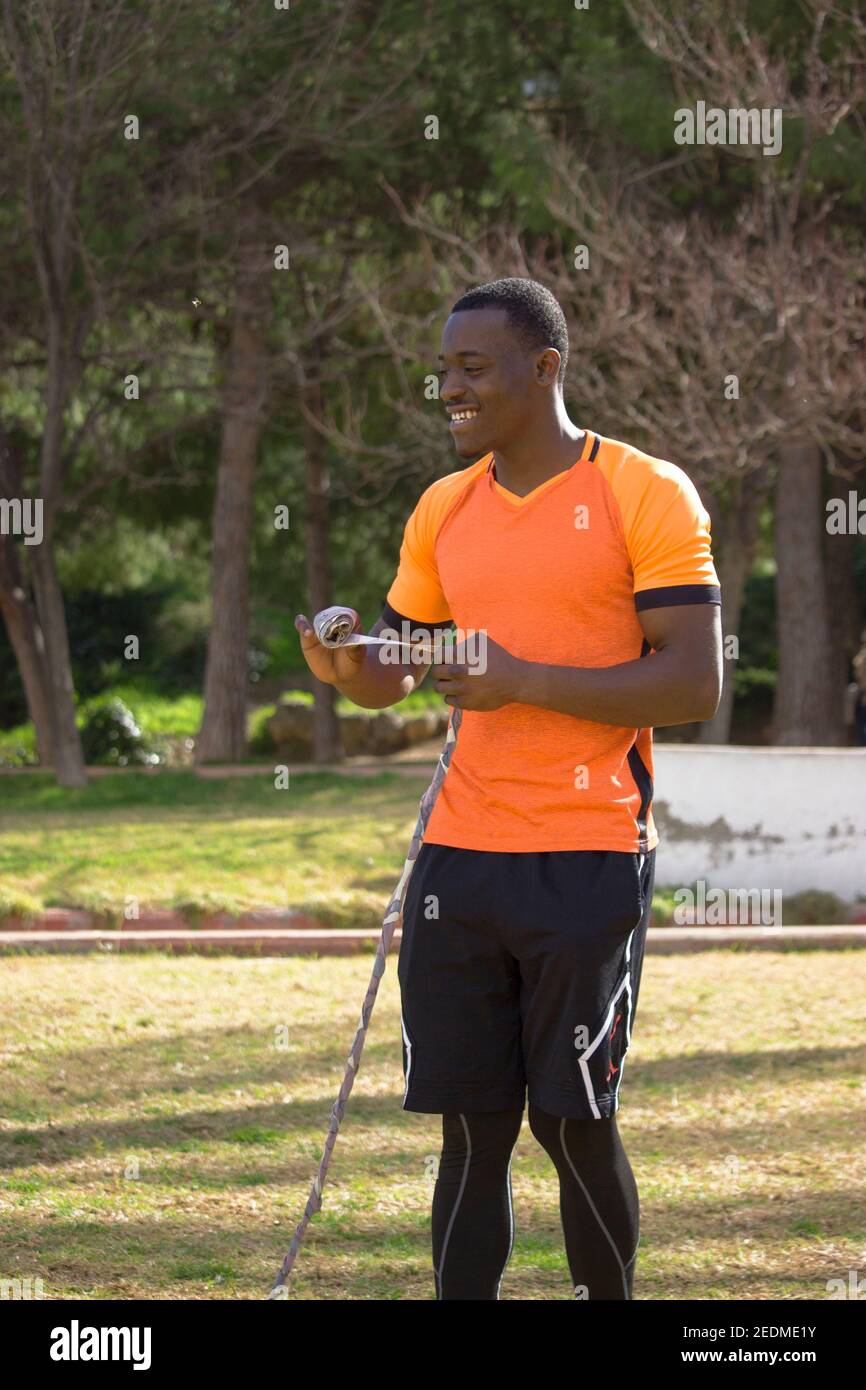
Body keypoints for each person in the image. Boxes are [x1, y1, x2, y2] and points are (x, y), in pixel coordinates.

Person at [295, 277, 722, 1300]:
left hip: (586, 851)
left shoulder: (640, 489)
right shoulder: (443, 507)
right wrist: (339, 661)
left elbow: (692, 681)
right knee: (471, 1128)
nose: (447, 385)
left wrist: (521, 678)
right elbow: (394, 664)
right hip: (458, 857)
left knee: (571, 1120)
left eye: (470, 366)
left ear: (544, 368)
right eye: (440, 367)